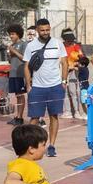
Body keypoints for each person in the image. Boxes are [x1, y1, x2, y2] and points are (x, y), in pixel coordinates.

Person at [24, 19, 68, 156]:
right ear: (37, 30)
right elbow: (26, 66)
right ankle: (31, 145)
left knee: (54, 116)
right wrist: (28, 85)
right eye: (42, 30)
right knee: (34, 119)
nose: (45, 32)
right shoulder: (31, 46)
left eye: (47, 30)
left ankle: (52, 145)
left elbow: (65, 63)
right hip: (37, 87)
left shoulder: (57, 43)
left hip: (55, 86)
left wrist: (64, 81)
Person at [5, 24, 28, 125]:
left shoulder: (23, 44)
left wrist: (14, 51)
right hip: (13, 73)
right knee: (16, 95)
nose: (11, 36)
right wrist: (9, 54)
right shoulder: (12, 46)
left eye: (13, 34)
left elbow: (24, 58)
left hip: (20, 73)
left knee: (20, 94)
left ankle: (20, 117)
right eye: (10, 34)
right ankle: (17, 116)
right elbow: (11, 61)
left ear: (18, 34)